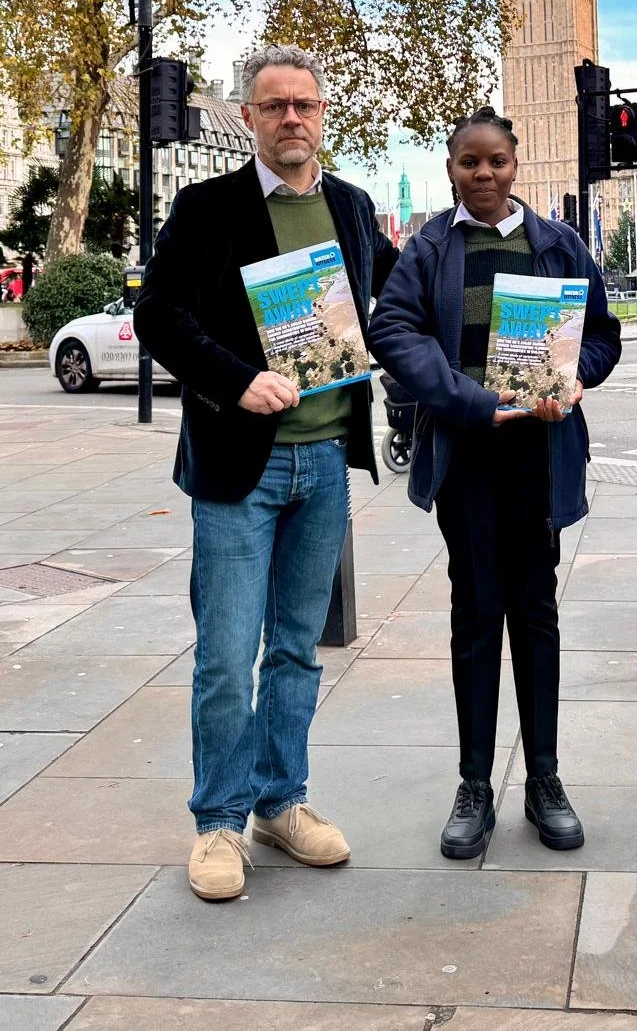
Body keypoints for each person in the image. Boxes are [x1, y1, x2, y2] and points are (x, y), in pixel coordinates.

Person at [135, 44, 397, 901]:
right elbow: (158, 315)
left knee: (295, 650)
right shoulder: (207, 207)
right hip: (238, 469)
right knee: (225, 654)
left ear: (322, 116)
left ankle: (281, 803)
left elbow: (399, 300)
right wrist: (236, 380)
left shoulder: (351, 207)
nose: (292, 118)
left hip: (324, 461)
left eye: (304, 105)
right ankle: (218, 822)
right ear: (248, 116)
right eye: (275, 105)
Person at [369, 106, 621, 860]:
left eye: (497, 161)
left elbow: (601, 335)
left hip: (540, 453)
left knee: (536, 611)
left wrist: (576, 377)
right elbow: (393, 330)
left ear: (517, 165)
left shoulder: (558, 244)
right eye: (469, 162)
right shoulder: (429, 248)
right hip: (470, 455)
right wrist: (470, 399)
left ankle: (544, 777)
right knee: (477, 611)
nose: (483, 174)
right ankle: (474, 784)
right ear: (451, 169)